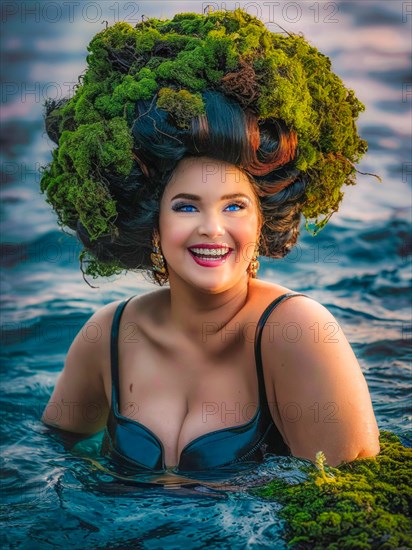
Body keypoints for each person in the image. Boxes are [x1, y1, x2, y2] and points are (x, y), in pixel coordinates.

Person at [40, 9, 380, 476]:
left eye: (234, 205)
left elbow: (351, 504)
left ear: (263, 219)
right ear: (152, 219)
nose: (211, 228)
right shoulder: (109, 335)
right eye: (186, 206)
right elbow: (43, 461)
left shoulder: (299, 334)